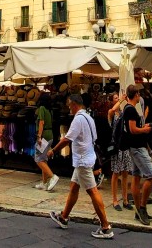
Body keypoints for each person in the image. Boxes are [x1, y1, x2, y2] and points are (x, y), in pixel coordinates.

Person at [47, 93, 113, 240]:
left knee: (93, 192)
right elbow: (94, 138)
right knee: (74, 187)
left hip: (82, 161)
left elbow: (67, 139)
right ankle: (64, 217)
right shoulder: (89, 117)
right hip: (85, 158)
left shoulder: (78, 120)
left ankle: (105, 227)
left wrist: (53, 151)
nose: (68, 108)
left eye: (69, 105)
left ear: (74, 104)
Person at [122, 84, 152, 226]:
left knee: (136, 177)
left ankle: (138, 210)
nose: (140, 96)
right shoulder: (130, 110)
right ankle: (142, 207)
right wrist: (145, 130)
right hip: (137, 148)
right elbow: (132, 129)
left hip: (134, 147)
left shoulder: (127, 108)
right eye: (138, 94)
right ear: (135, 95)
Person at [107, 94, 132, 212]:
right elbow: (112, 110)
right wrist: (122, 99)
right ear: (112, 101)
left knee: (125, 173)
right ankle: (115, 199)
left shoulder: (123, 112)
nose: (118, 100)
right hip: (116, 147)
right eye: (115, 98)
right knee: (116, 173)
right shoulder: (111, 114)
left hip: (125, 145)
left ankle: (125, 199)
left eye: (118, 98)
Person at [34, 93, 57, 191]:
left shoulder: (42, 108)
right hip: (50, 134)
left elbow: (41, 122)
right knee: (43, 159)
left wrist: (39, 136)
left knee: (38, 159)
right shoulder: (50, 110)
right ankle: (44, 182)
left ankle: (52, 176)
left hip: (44, 136)